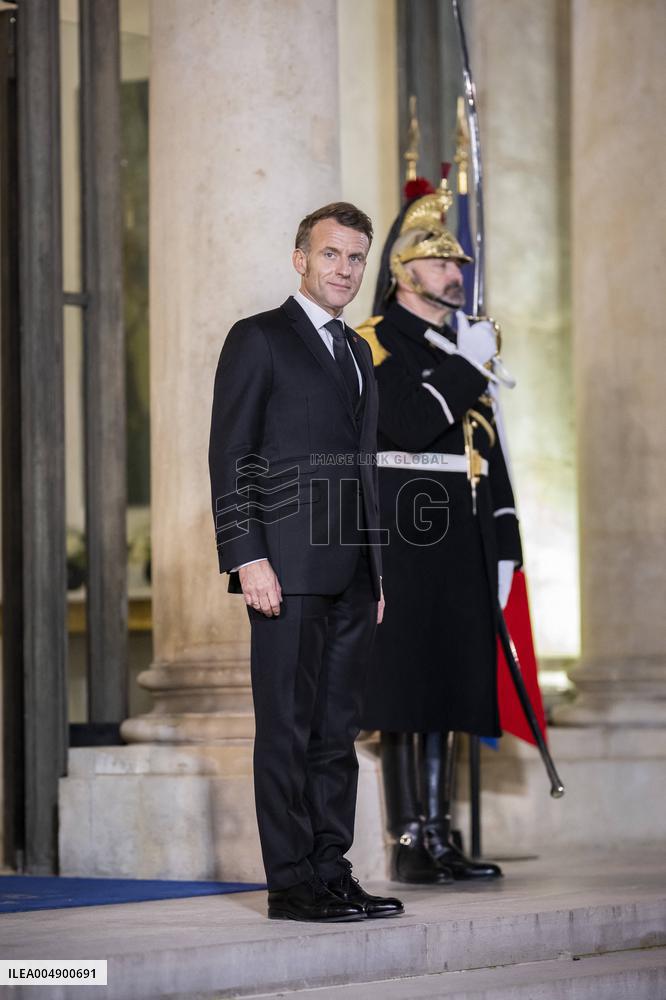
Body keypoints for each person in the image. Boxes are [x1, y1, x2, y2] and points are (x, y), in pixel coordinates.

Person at [208, 202, 403, 922]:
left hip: (352, 575)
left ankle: (330, 871)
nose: (344, 269)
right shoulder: (258, 338)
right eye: (330, 254)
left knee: (336, 736)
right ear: (300, 259)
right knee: (286, 731)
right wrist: (247, 556)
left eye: (355, 258)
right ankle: (291, 884)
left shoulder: (358, 352)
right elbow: (231, 454)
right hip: (284, 571)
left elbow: (363, 467)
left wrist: (375, 571)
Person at [357, 179, 522, 884]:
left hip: (463, 541)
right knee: (407, 687)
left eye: (457, 262)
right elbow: (409, 422)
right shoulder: (373, 342)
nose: (455, 272)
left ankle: (439, 832)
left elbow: (487, 451)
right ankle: (406, 840)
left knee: (453, 683)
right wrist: (466, 364)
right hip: (408, 536)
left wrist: (507, 543)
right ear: (404, 271)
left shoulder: (460, 349)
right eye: (440, 261)